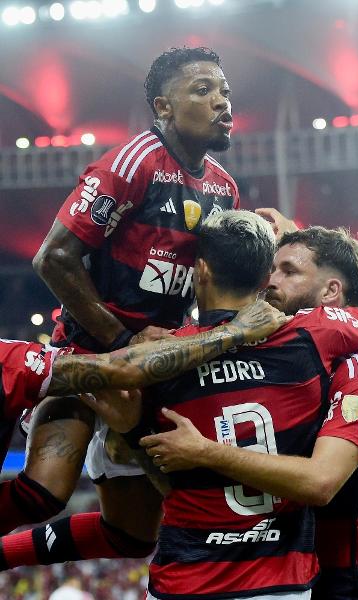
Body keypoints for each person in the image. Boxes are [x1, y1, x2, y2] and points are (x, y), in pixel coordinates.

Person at [95, 212, 358, 598]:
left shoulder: (356, 369)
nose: (271, 280)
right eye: (270, 267)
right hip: (274, 573)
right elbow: (177, 484)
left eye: (289, 271)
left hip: (334, 579)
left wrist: (206, 451)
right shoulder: (265, 345)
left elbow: (320, 482)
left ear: (330, 295)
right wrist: (136, 429)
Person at [12, 45, 238, 558]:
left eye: (225, 91)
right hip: (87, 355)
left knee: (135, 535)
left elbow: (211, 286)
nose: (222, 102)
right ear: (163, 108)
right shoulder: (132, 163)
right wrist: (122, 341)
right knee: (42, 493)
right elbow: (53, 259)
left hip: (156, 367)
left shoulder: (224, 190)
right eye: (203, 91)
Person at [0, 299, 286, 537]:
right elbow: (125, 371)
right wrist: (235, 331)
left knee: (48, 498)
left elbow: (120, 371)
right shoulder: (9, 360)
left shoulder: (9, 360)